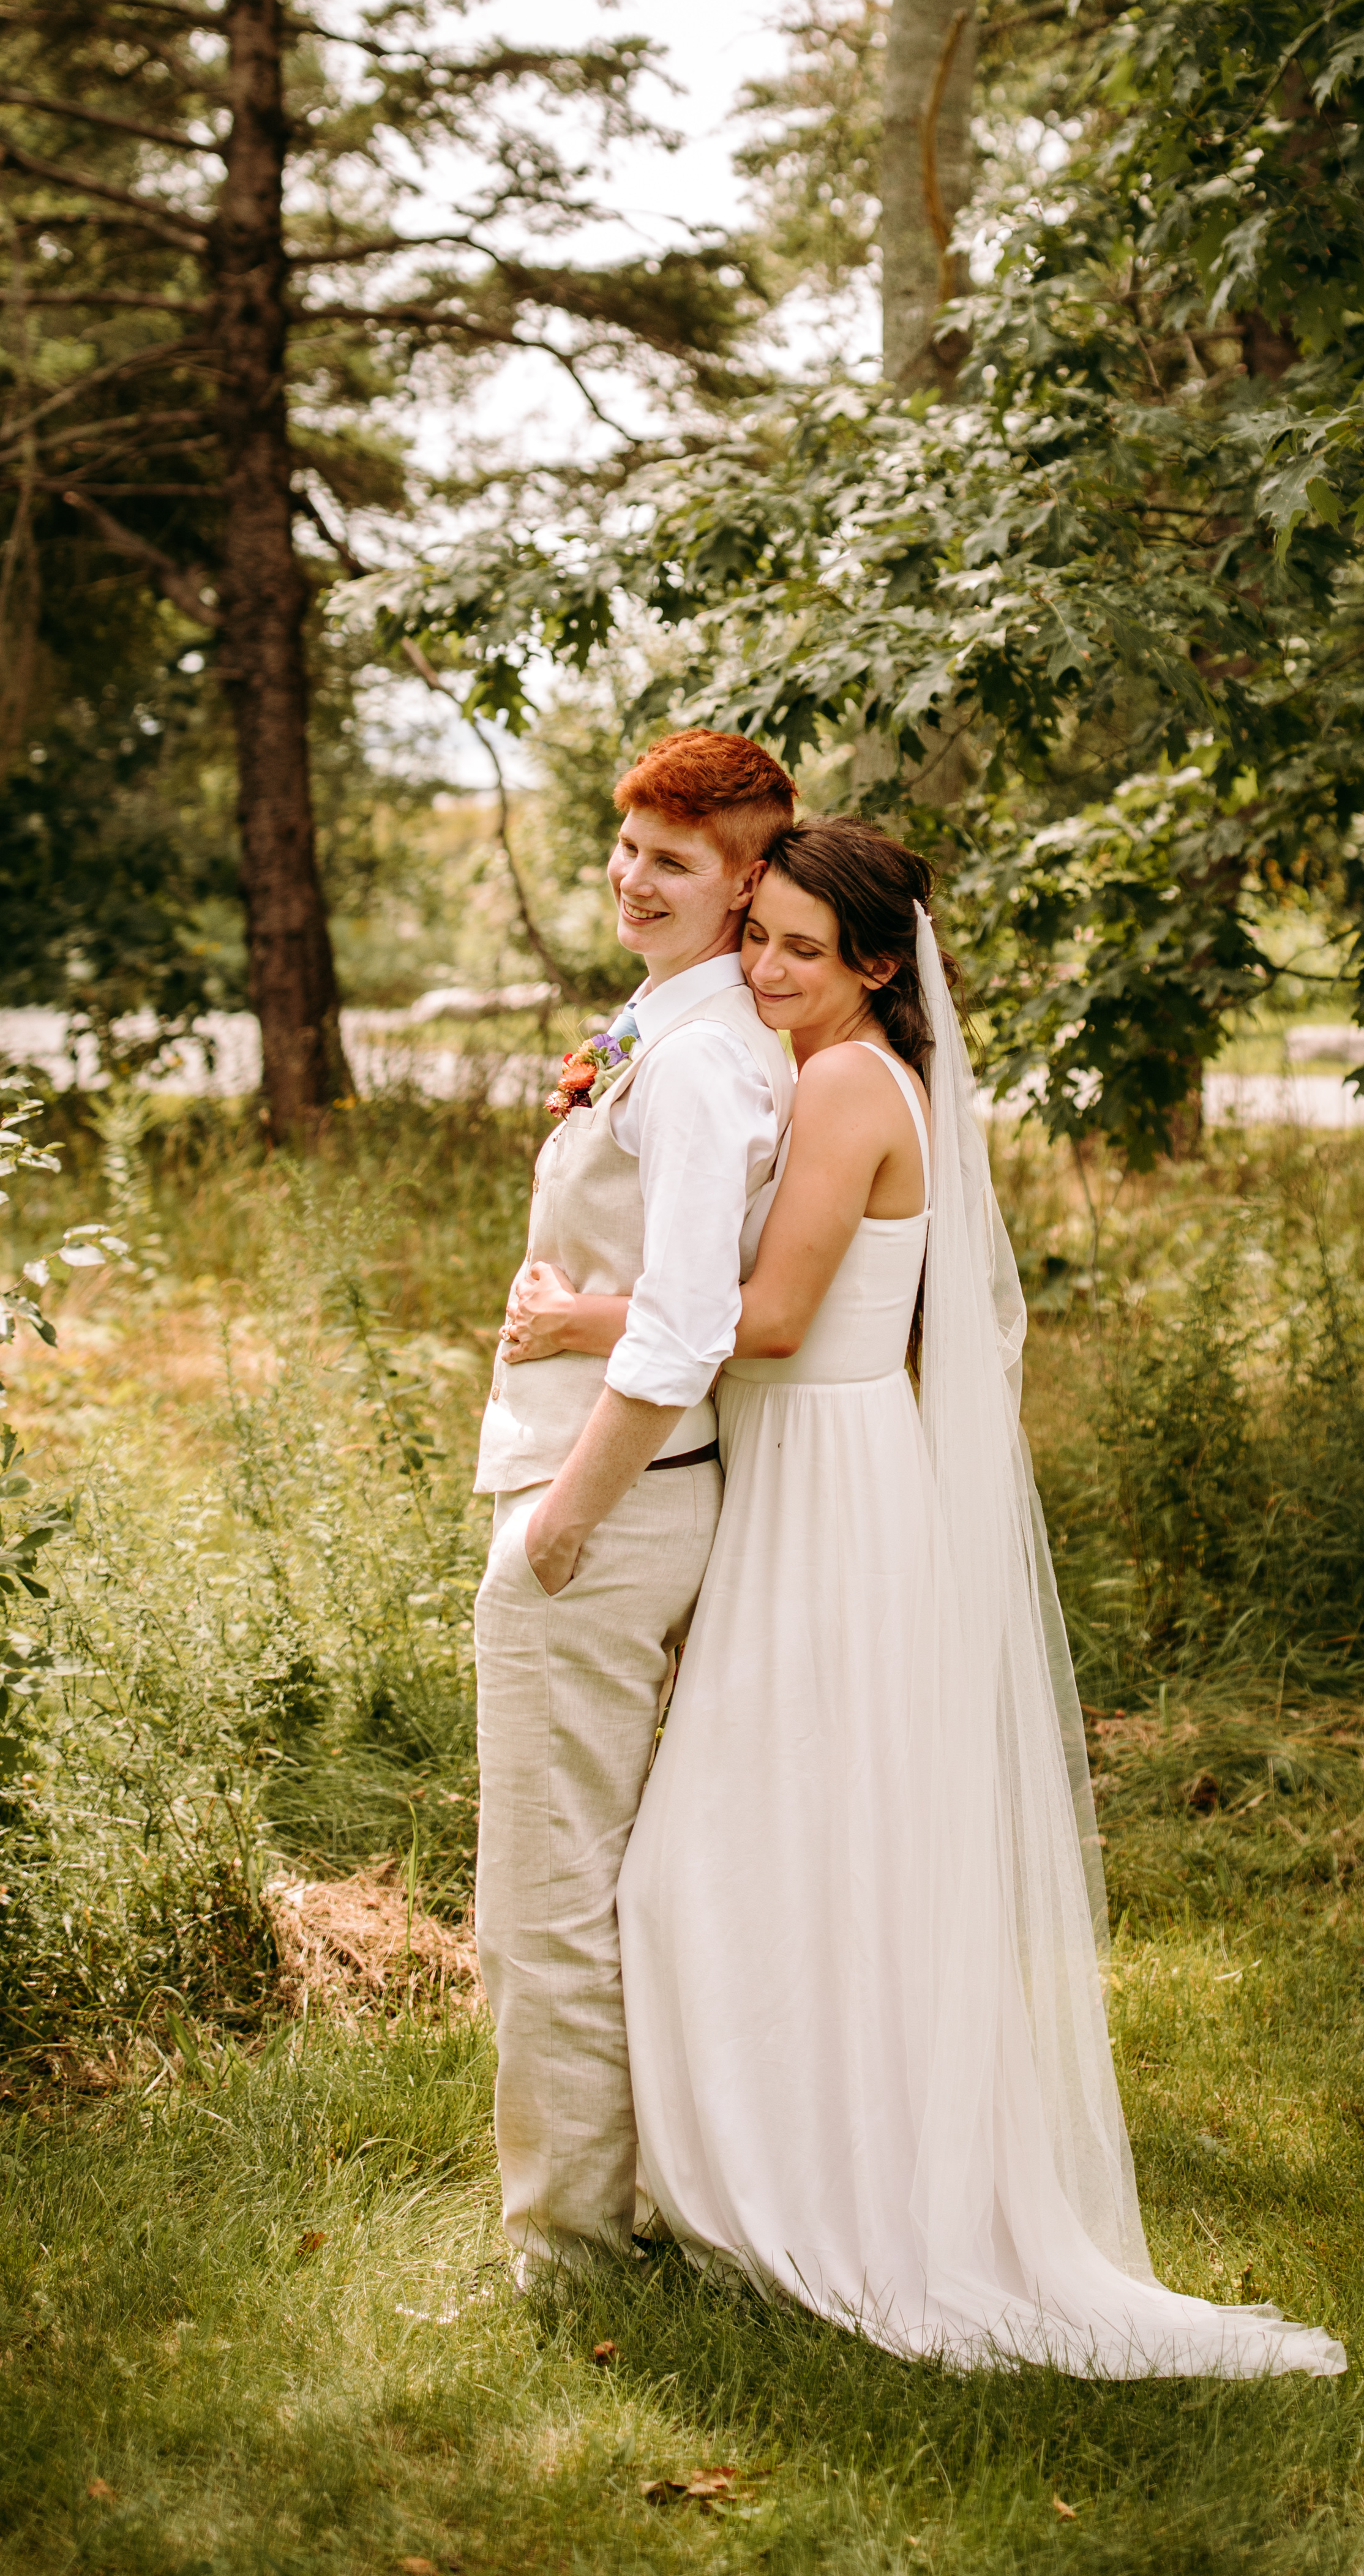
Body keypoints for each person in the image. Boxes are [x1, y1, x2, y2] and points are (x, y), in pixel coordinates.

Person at [500, 820, 1347, 2378]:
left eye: (799, 951)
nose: (760, 969)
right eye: (755, 937)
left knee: (718, 1866)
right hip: (812, 1477)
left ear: (878, 967)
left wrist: (579, 1320)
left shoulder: (841, 1082)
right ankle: (766, 2172)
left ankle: (802, 2198)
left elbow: (765, 1318)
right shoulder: (853, 1069)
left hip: (824, 1483)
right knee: (795, 1852)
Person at [471, 725, 799, 2283]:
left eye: (675, 859)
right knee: (597, 1873)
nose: (633, 875)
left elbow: (685, 1322)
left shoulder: (705, 1059)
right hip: (628, 1490)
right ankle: (631, 2198)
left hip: (604, 1503)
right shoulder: (675, 1029)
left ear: (746, 887)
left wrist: (562, 1523)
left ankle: (574, 2245)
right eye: (627, 846)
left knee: (546, 1889)